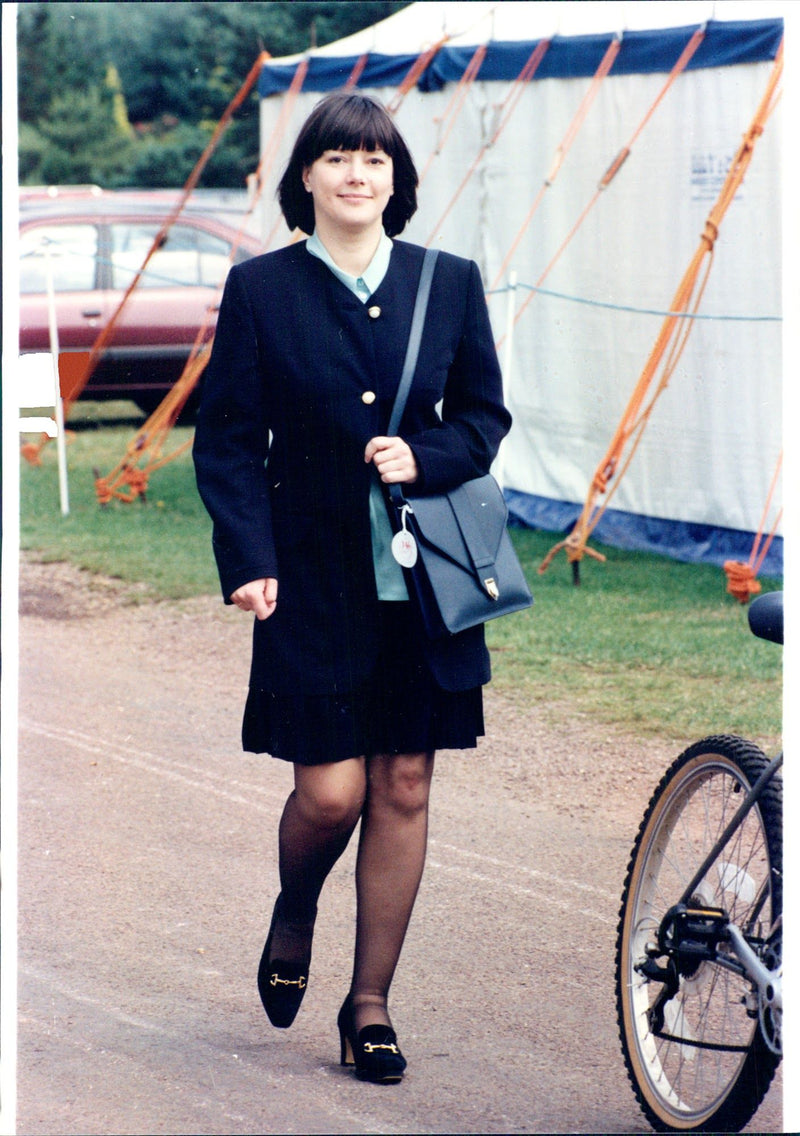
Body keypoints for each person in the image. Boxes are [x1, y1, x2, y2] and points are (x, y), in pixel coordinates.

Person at [193, 90, 510, 1084]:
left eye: (373, 159)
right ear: (308, 178)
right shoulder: (261, 289)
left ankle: (367, 1002)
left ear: (395, 180)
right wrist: (247, 557)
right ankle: (297, 903)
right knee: (329, 793)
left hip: (421, 581)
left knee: (404, 782)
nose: (355, 173)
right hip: (308, 575)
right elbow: (231, 440)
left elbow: (484, 418)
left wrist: (427, 453)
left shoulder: (445, 283)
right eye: (335, 157)